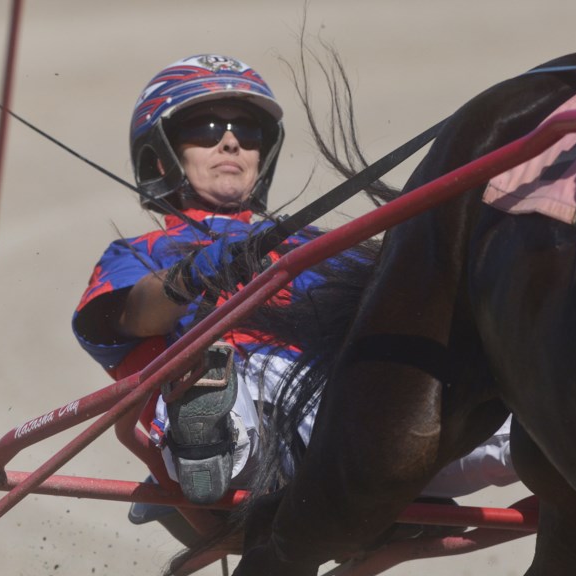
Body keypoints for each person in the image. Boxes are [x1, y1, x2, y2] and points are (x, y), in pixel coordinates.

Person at [72, 54, 518, 521]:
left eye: (247, 133)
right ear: (161, 154)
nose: (230, 142)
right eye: (206, 128)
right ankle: (206, 431)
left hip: (352, 404)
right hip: (242, 386)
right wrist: (193, 273)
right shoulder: (139, 251)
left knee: (515, 417)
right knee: (215, 371)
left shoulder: (308, 242)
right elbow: (125, 318)